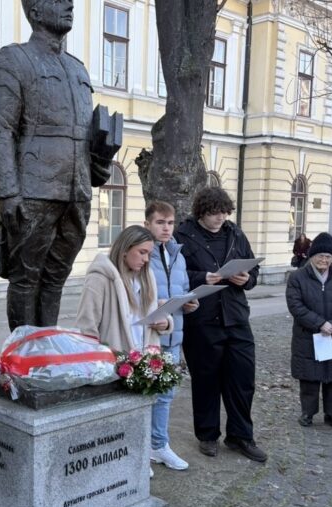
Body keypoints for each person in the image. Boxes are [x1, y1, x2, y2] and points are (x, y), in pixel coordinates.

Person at [0, 0, 114, 331]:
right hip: (34, 187)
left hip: (77, 190)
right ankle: (23, 352)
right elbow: (3, 130)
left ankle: (47, 345)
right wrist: (8, 192)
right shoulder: (15, 58)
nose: (69, 5)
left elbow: (86, 134)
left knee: (56, 277)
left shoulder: (78, 69)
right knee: (25, 278)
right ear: (35, 12)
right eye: (57, 1)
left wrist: (101, 161)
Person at [175, 187, 267, 463]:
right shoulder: (183, 235)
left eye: (225, 213)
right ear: (202, 212)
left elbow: (254, 270)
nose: (221, 218)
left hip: (236, 317)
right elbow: (175, 275)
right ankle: (207, 435)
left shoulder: (235, 233)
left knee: (242, 379)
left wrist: (247, 279)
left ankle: (241, 436)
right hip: (202, 319)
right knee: (206, 380)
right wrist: (201, 277)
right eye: (215, 213)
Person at [144, 201, 199, 471]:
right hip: (148, 338)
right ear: (147, 224)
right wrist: (157, 304)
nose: (166, 228)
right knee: (143, 395)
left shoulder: (178, 254)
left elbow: (184, 289)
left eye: (170, 223)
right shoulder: (142, 253)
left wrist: (190, 303)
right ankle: (140, 449)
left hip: (174, 337)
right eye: (160, 223)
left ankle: (159, 445)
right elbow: (132, 295)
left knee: (166, 394)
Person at [75, 225, 172, 377]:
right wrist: (98, 364)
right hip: (113, 366)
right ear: (125, 249)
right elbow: (86, 327)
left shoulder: (147, 276)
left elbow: (150, 314)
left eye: (149, 254)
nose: (146, 259)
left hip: (145, 365)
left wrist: (165, 322)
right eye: (142, 252)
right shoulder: (99, 278)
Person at [286, 232, 332, 430]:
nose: (324, 260)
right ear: (312, 256)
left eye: (328, 256)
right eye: (320, 256)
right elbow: (296, 306)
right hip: (308, 335)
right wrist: (319, 324)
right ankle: (307, 413)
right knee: (309, 376)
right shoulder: (297, 278)